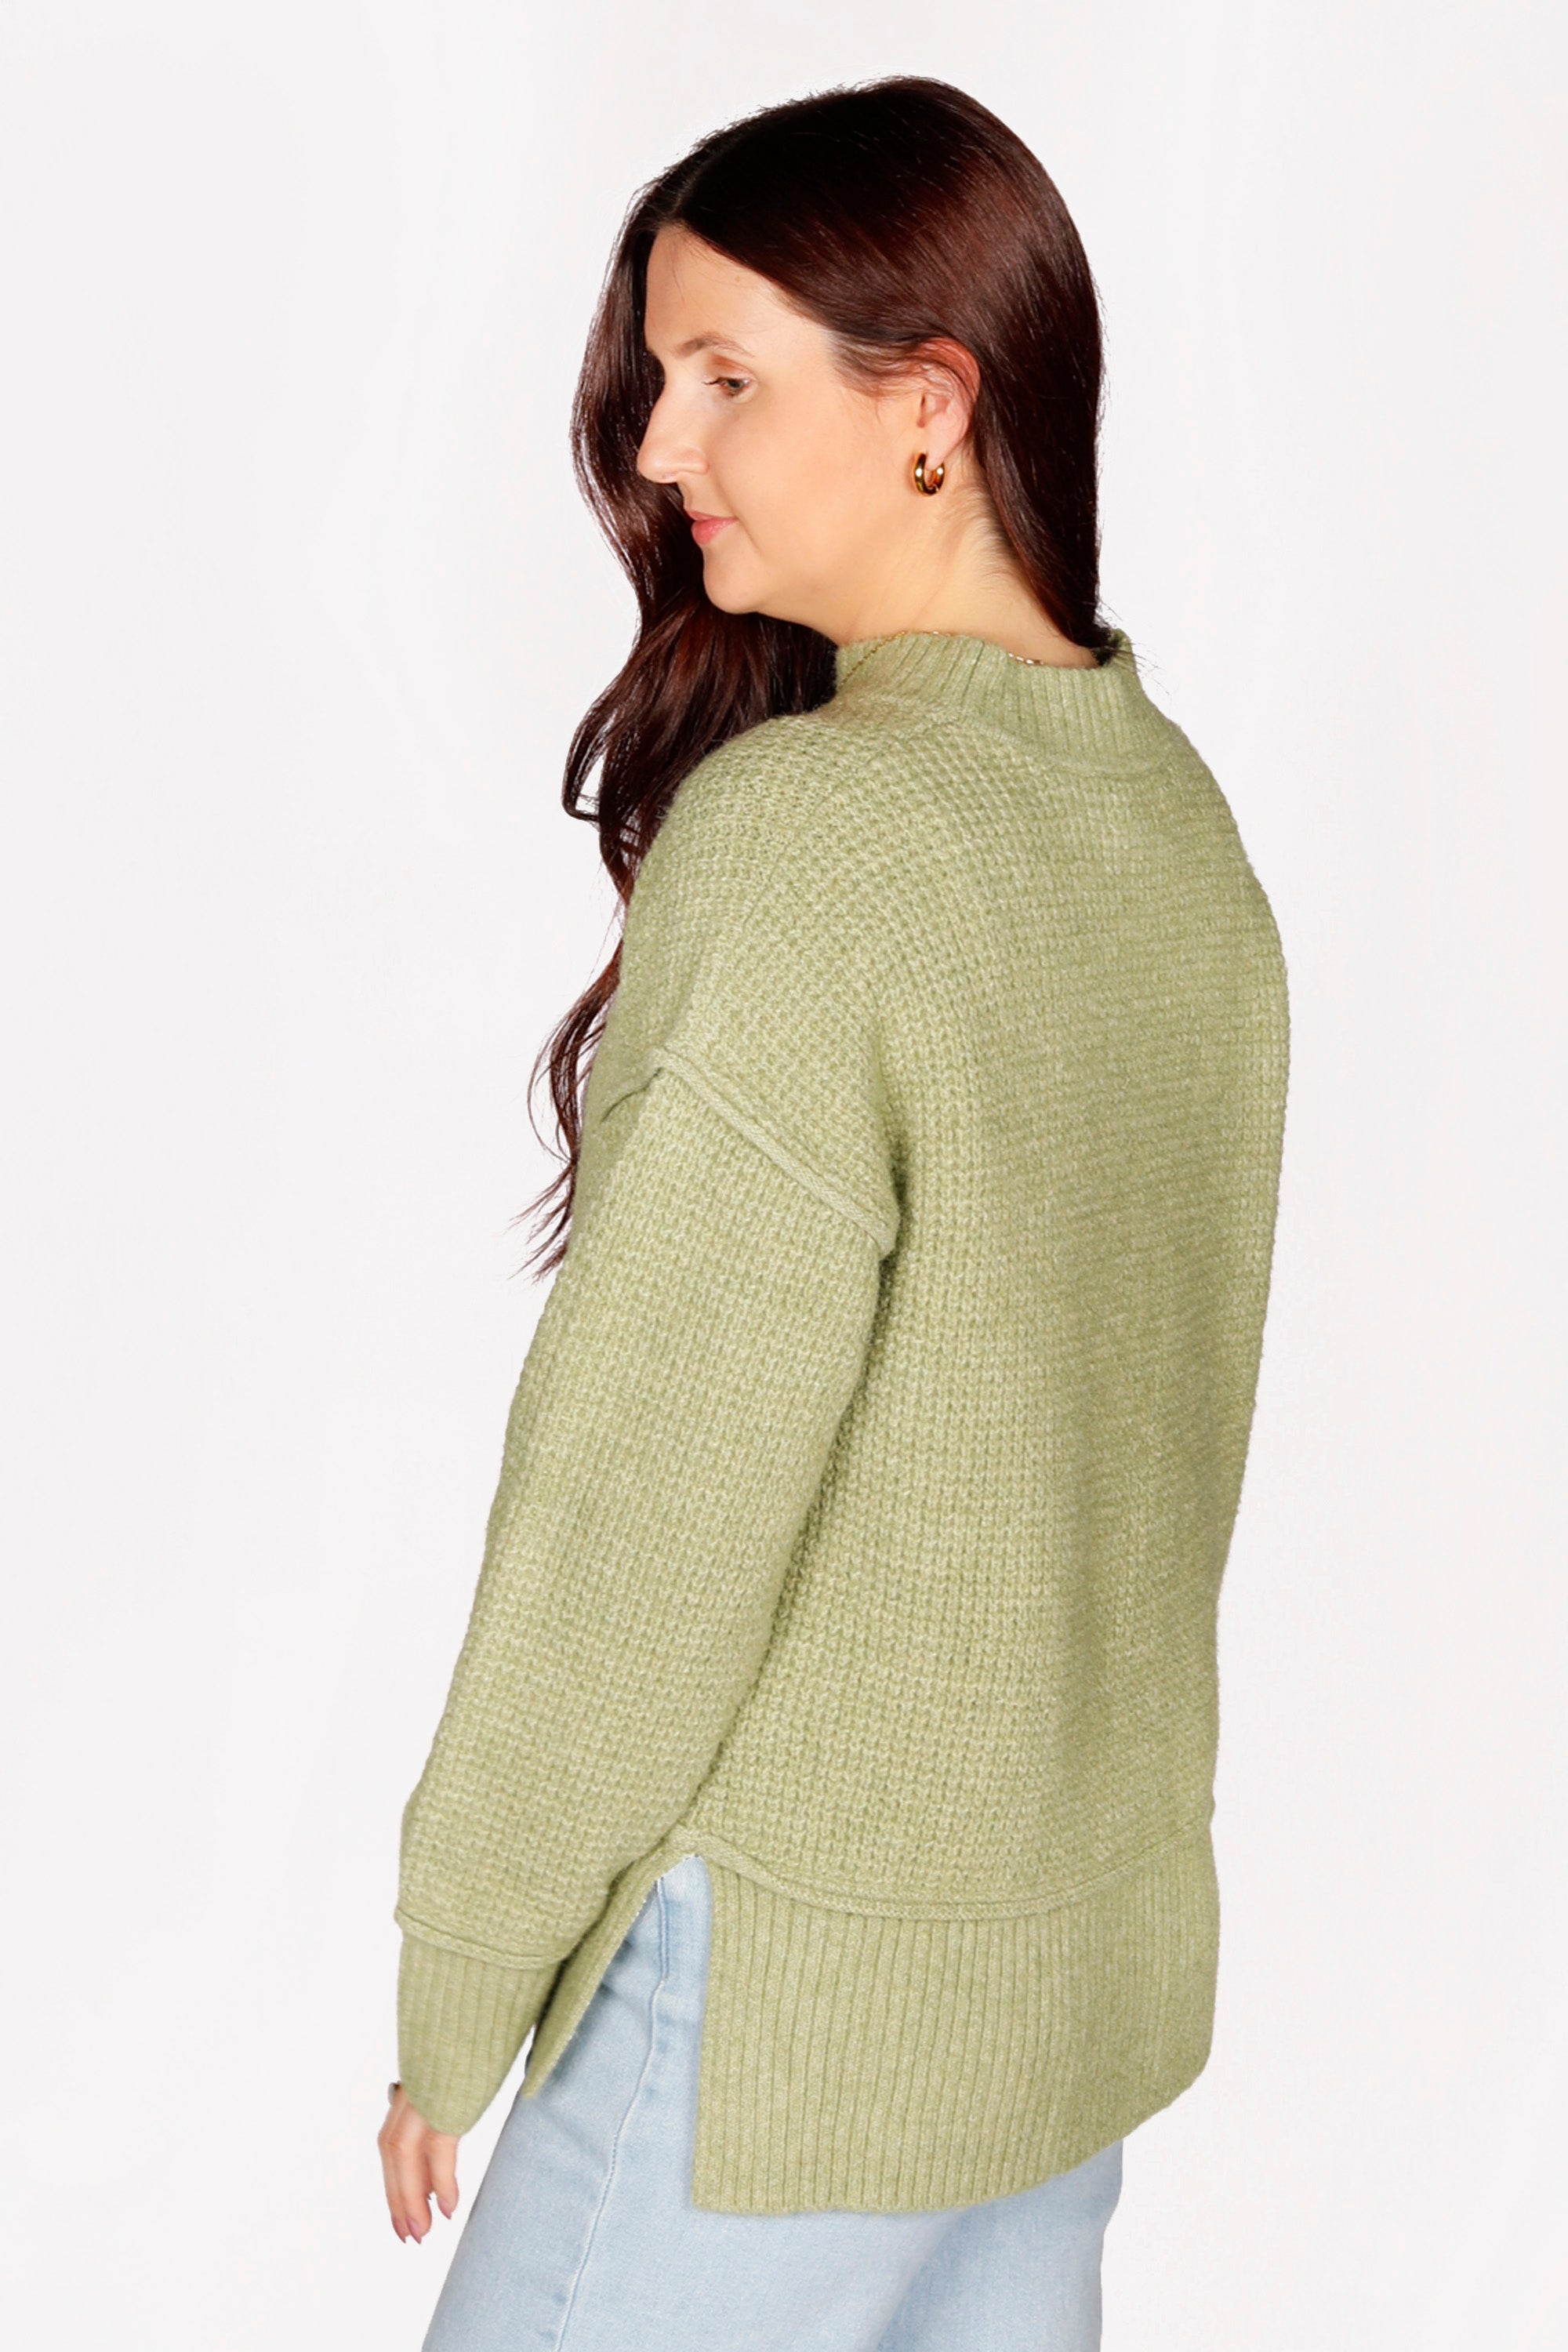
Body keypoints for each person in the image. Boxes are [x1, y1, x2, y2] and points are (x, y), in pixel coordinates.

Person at [376, 74, 1290, 2351]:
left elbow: (645, 1503)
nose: (660, 447)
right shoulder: (1175, 832)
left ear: (931, 405)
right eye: (657, 380)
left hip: (771, 2018)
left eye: (727, 379)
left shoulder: (815, 843)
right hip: (1054, 2027)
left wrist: (466, 1955)